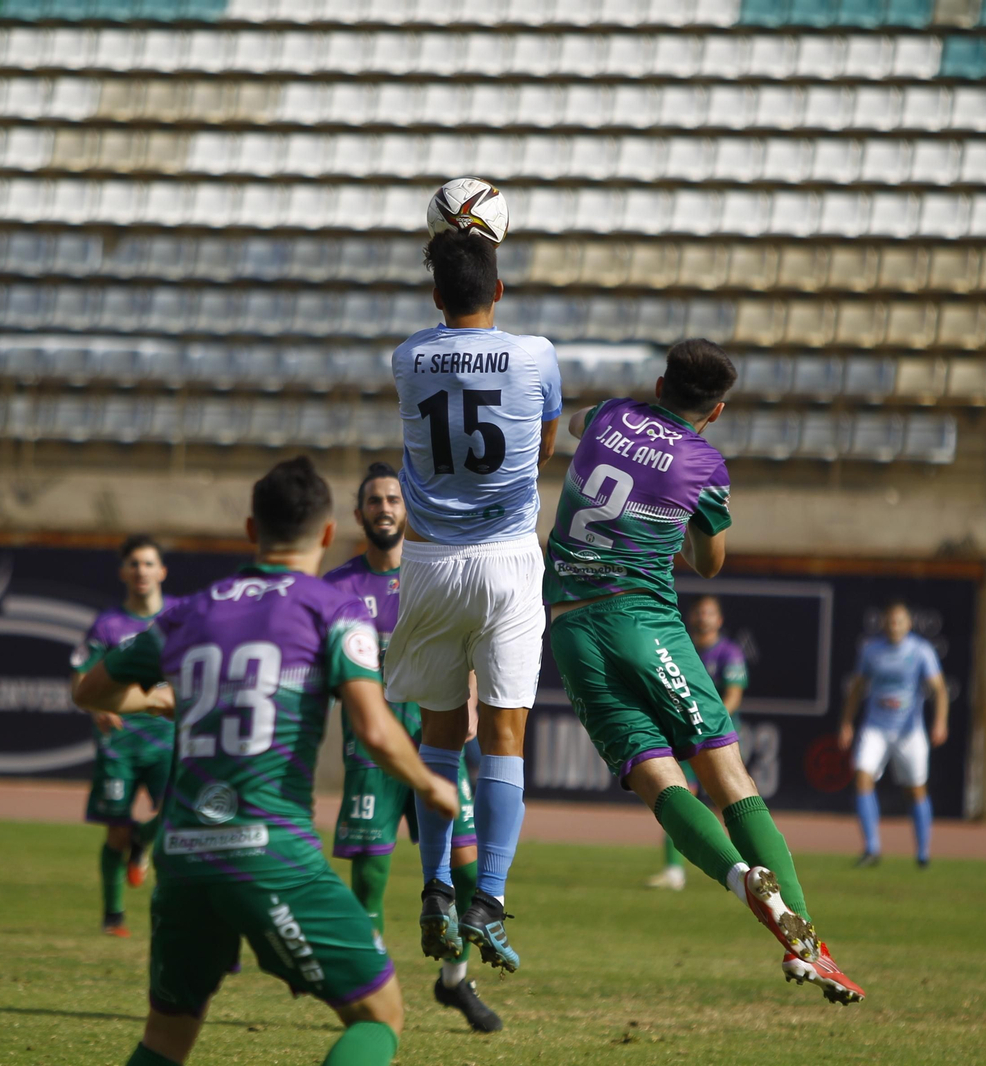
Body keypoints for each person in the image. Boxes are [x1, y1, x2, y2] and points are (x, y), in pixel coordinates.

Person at [74, 457, 461, 1066]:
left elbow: (89, 691)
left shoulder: (188, 611)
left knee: (166, 1037)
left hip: (181, 857)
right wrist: (431, 785)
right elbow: (375, 731)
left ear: (252, 529)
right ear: (330, 532)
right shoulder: (332, 608)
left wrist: (154, 698)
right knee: (379, 1013)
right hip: (267, 852)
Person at [542, 338, 864, 1005]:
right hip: (641, 617)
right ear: (715, 410)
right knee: (727, 775)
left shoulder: (607, 416)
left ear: (659, 381)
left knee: (657, 781)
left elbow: (575, 423)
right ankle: (809, 948)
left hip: (568, 627)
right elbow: (709, 562)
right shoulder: (704, 463)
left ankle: (733, 876)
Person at [386, 226, 562, 974]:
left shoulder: (407, 358)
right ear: (499, 290)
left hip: (426, 560)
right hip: (506, 559)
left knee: (438, 733)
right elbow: (547, 442)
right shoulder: (537, 354)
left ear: (434, 295)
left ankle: (432, 886)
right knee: (505, 734)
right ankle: (487, 896)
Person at [323, 462, 501, 1032]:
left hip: (437, 747)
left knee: (468, 877)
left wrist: (472, 692)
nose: (384, 509)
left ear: (409, 508)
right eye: (373, 500)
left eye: (393, 500)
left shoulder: (438, 573)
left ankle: (453, 981)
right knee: (370, 880)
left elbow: (469, 641)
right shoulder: (336, 588)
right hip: (370, 755)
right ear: (359, 514)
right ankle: (369, 994)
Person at [69, 534, 181, 938]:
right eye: (134, 563)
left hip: (167, 738)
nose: (141, 571)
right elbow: (82, 679)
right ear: (123, 572)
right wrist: (98, 706)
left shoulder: (178, 617)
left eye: (149, 563)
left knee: (175, 815)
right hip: (120, 742)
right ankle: (113, 914)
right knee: (115, 828)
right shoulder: (107, 624)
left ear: (162, 571)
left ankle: (142, 842)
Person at [647, 595, 748, 891]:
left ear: (719, 620)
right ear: (692, 617)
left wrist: (711, 722)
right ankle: (673, 871)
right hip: (686, 736)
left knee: (730, 800)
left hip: (718, 739)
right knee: (677, 795)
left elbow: (734, 694)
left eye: (710, 613)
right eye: (700, 612)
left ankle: (748, 866)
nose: (704, 618)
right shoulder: (680, 649)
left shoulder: (729, 653)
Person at [838, 600, 949, 868]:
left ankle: (923, 853)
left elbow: (940, 688)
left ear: (908, 624)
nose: (894, 626)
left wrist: (940, 722)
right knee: (863, 777)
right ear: (884, 623)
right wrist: (846, 722)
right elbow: (857, 687)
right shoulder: (871, 650)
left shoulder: (920, 651)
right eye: (890, 621)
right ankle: (871, 849)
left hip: (908, 732)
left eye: (899, 621)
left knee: (916, 789)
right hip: (875, 727)